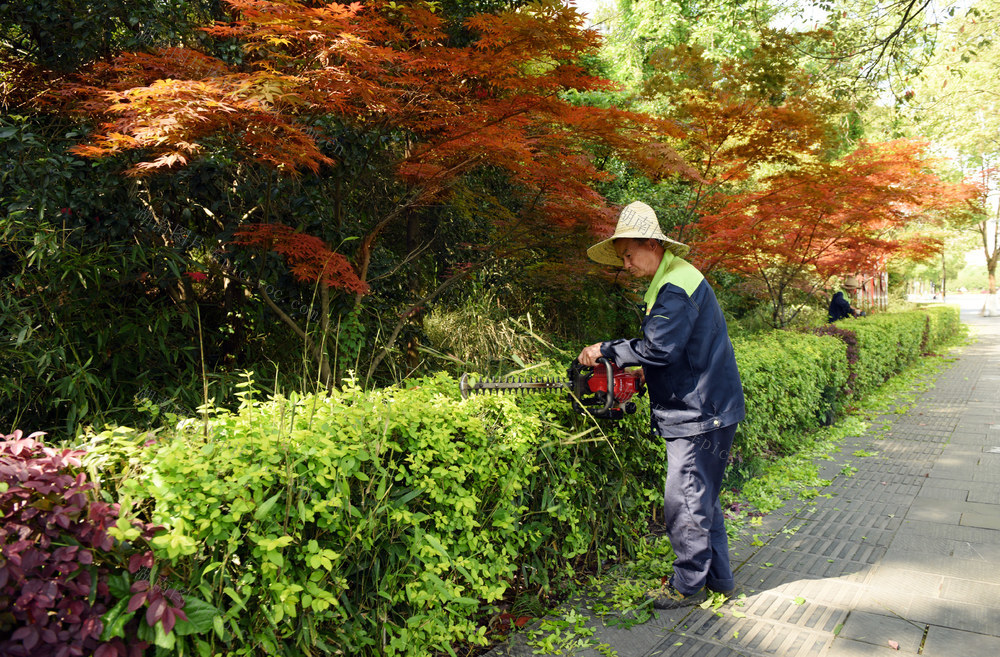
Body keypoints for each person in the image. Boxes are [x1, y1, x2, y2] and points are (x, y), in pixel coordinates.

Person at [577, 201, 745, 609]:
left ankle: (686, 586)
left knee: (684, 500)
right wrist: (641, 374)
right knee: (702, 498)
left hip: (699, 414)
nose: (626, 265)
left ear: (652, 244)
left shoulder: (674, 288)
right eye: (622, 258)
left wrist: (605, 350)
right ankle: (719, 580)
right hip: (711, 407)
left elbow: (659, 348)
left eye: (629, 254)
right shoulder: (673, 280)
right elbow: (676, 351)